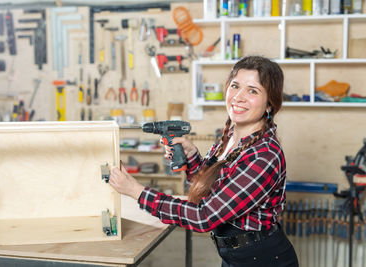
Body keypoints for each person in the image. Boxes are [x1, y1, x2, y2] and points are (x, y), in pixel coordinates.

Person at [109, 55, 299, 267]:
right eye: (235, 86)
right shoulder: (230, 138)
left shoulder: (263, 156)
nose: (238, 96)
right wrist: (192, 158)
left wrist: (137, 192)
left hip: (263, 260)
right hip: (235, 255)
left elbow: (205, 216)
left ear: (269, 105)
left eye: (252, 90)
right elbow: (213, 192)